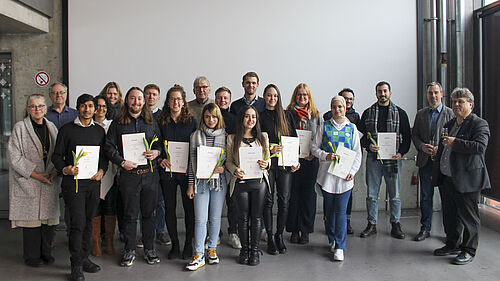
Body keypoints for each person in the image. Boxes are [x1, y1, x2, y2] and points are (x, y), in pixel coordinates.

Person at [52, 94, 108, 281]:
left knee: (89, 222)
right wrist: (65, 169)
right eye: (83, 106)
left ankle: (85, 258)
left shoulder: (99, 131)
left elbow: (104, 157)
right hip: (73, 184)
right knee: (76, 224)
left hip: (93, 183)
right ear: (78, 108)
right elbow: (56, 156)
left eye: (90, 106)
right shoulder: (67, 130)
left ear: (95, 109)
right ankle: (76, 265)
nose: (87, 109)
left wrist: (102, 170)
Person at [432, 87, 490, 265]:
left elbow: (479, 147)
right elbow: (444, 146)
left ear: (470, 105)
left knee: (469, 217)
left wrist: (455, 142)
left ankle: (469, 250)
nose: (456, 105)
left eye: (461, 102)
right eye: (454, 102)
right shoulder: (450, 124)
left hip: (467, 180)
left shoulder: (479, 124)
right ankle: (452, 244)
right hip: (447, 178)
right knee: (450, 215)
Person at [105, 87, 161, 267]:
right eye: (132, 99)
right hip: (129, 176)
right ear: (127, 101)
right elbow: (108, 147)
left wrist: (157, 152)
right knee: (129, 215)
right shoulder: (117, 123)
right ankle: (129, 250)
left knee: (149, 214)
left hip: (149, 176)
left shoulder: (151, 121)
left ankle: (149, 249)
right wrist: (121, 162)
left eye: (139, 99)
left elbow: (160, 143)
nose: (136, 102)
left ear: (144, 101)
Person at [8, 94, 60, 267]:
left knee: (47, 223)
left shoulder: (52, 127)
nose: (37, 109)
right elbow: (14, 156)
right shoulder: (20, 128)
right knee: (31, 224)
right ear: (28, 109)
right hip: (29, 180)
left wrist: (53, 172)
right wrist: (36, 174)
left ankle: (46, 253)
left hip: (49, 179)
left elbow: (57, 153)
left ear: (46, 108)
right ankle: (32, 257)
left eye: (40, 106)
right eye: (33, 106)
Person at [358, 81, 411, 239]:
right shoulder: (368, 113)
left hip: (394, 159)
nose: (383, 94)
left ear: (390, 93)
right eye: (380, 91)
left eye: (385, 91)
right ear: (376, 94)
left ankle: (395, 224)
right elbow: (360, 137)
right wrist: (368, 146)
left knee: (394, 195)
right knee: (371, 194)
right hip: (374, 159)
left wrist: (401, 153)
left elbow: (407, 137)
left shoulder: (400, 113)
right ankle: (372, 224)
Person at [312, 96, 362, 261]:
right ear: (330, 108)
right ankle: (332, 238)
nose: (337, 110)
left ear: (345, 108)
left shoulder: (352, 128)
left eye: (340, 106)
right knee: (330, 211)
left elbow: (357, 153)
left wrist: (353, 171)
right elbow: (314, 148)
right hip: (327, 177)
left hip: (344, 177)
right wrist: (326, 155)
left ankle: (340, 246)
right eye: (334, 107)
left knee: (341, 211)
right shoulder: (323, 126)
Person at [157, 85, 198, 260]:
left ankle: (188, 244)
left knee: (189, 210)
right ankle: (175, 245)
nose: (176, 102)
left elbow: (197, 146)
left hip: (187, 172)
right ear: (168, 102)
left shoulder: (192, 121)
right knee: (170, 209)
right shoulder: (160, 120)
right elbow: (155, 143)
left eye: (179, 99)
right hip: (167, 172)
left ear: (184, 102)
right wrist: (159, 158)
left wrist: (193, 165)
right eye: (172, 99)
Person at [185, 103, 227, 270]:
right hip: (200, 182)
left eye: (214, 117)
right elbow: (191, 163)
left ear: (219, 119)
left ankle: (212, 250)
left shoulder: (225, 136)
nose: (211, 120)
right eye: (208, 116)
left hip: (219, 183)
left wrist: (223, 168)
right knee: (200, 219)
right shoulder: (195, 135)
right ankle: (198, 253)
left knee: (215, 218)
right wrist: (190, 185)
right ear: (203, 118)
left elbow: (230, 161)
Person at [226, 105, 270, 265]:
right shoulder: (232, 138)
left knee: (256, 217)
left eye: (253, 116)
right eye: (246, 116)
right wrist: (235, 170)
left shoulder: (263, 137)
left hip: (259, 182)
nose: (250, 119)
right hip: (241, 182)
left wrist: (267, 163)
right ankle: (244, 250)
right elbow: (228, 162)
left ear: (257, 119)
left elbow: (268, 158)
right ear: (241, 119)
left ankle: (255, 250)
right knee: (243, 218)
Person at [260, 84, 299, 255]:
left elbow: (294, 139)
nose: (272, 99)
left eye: (275, 96)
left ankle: (279, 235)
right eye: (269, 95)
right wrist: (269, 150)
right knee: (268, 201)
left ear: (279, 97)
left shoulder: (287, 115)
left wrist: (296, 160)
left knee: (284, 200)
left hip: (285, 165)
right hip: (268, 165)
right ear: (264, 97)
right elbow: (255, 142)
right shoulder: (259, 117)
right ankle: (269, 237)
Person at [411, 82, 453, 241]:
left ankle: (449, 232)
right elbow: (414, 135)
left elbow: (454, 137)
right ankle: (425, 228)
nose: (433, 96)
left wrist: (440, 149)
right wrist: (422, 146)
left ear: (442, 94)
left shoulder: (450, 114)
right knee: (426, 197)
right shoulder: (421, 114)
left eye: (436, 92)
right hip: (426, 162)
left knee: (446, 198)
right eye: (430, 93)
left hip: (444, 163)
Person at [285, 83, 321, 244]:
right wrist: (293, 155)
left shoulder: (315, 114)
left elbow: (320, 138)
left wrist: (312, 153)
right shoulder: (288, 114)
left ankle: (305, 230)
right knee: (293, 195)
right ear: (295, 96)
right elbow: (285, 135)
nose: (302, 98)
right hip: (293, 160)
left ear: (309, 97)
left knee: (308, 196)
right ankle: (293, 230)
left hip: (311, 160)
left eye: (305, 95)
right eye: (299, 95)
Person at [91, 96, 119, 256]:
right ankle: (95, 241)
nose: (101, 109)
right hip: (92, 172)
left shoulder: (112, 125)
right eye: (98, 106)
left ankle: (108, 240)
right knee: (95, 206)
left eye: (104, 106)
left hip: (110, 172)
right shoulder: (87, 125)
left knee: (110, 206)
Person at [143, 83, 170, 247]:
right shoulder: (138, 115)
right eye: (148, 94)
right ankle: (145, 234)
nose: (150, 97)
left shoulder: (163, 117)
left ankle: (160, 231)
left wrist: (160, 156)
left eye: (154, 94)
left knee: (160, 201)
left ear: (158, 97)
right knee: (143, 203)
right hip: (141, 166)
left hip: (160, 165)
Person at [215, 86, 240, 249]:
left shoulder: (234, 118)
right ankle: (215, 233)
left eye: (225, 98)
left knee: (233, 202)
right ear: (215, 99)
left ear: (230, 100)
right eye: (219, 98)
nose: (223, 100)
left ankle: (233, 233)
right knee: (215, 203)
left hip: (230, 167)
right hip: (213, 167)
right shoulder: (210, 117)